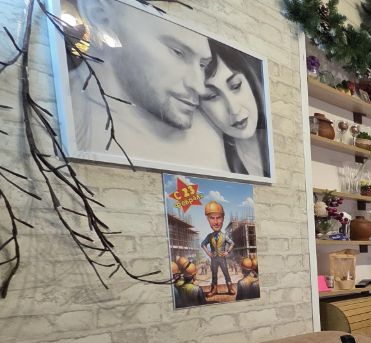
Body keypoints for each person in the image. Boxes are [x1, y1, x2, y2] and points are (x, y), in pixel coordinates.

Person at [67, 0, 220, 160]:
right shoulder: (76, 121)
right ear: (101, 17)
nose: (199, 87)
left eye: (203, 65)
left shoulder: (208, 138)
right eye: (178, 52)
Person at [202, 40, 271, 177]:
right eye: (212, 96)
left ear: (250, 81)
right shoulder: (217, 162)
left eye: (236, 86)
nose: (234, 109)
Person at [200, 201, 234, 296]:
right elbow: (203, 244)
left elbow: (232, 243)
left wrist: (227, 252)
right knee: (214, 275)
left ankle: (230, 288)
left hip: (222, 259)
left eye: (218, 218)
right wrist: (208, 253)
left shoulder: (224, 236)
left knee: (226, 273)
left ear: (223, 219)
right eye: (212, 218)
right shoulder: (209, 236)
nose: (216, 222)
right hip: (214, 259)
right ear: (208, 220)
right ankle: (214, 290)